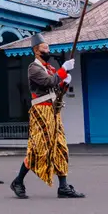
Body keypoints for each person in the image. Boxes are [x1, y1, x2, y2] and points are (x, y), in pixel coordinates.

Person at [10, 34, 84, 199]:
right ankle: (18, 181)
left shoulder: (50, 68)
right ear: (36, 51)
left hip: (53, 112)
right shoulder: (33, 68)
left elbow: (57, 89)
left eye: (48, 48)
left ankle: (63, 187)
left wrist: (65, 83)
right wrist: (63, 70)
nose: (48, 51)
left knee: (60, 147)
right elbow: (48, 82)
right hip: (41, 112)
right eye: (45, 48)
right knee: (39, 149)